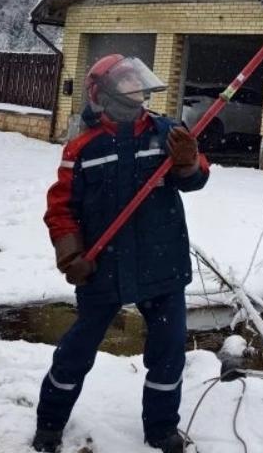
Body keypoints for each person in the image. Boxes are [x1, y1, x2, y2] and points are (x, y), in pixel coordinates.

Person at [33, 54, 209, 453]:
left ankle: (162, 429)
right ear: (106, 93)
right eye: (129, 83)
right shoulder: (83, 149)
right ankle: (49, 423)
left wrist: (187, 164)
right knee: (75, 353)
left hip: (162, 264)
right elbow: (61, 209)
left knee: (168, 354)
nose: (139, 90)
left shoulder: (167, 132)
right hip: (104, 267)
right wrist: (70, 255)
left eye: (138, 82)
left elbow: (196, 178)